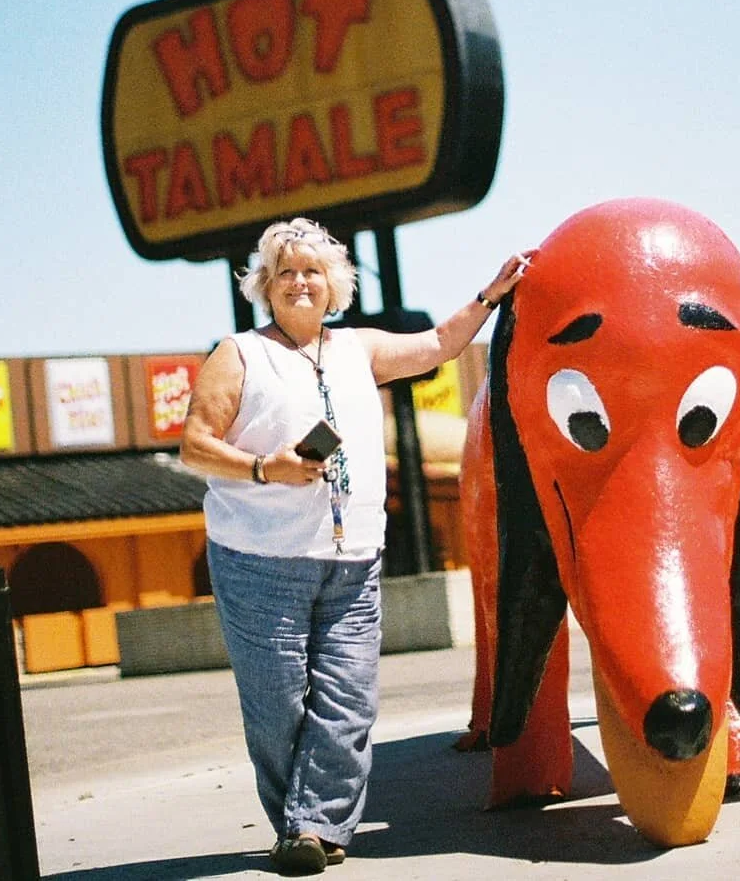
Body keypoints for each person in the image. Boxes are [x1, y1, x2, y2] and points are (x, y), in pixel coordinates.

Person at [180, 217, 530, 876]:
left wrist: (490, 297)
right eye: (286, 272)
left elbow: (436, 345)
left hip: (353, 556)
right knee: (280, 701)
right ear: (265, 286)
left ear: (334, 285)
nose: (300, 281)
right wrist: (266, 468)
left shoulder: (359, 349)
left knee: (349, 696)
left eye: (312, 270)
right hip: (259, 559)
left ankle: (314, 828)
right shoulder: (238, 353)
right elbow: (195, 445)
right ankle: (301, 825)